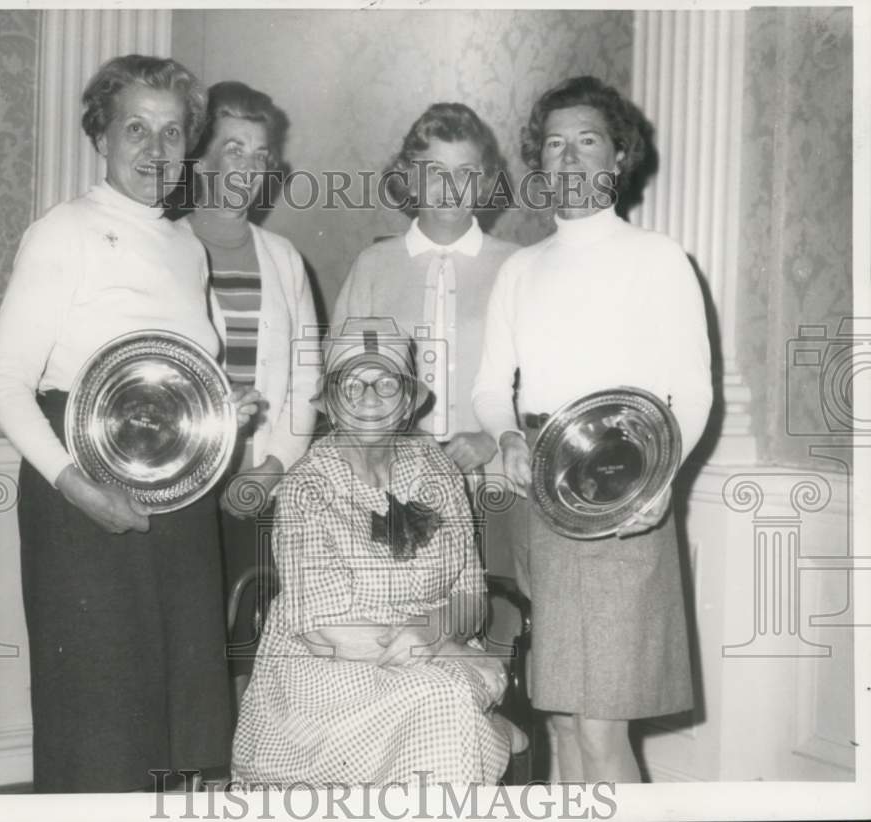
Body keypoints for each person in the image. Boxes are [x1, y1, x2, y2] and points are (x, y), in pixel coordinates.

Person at [0, 55, 260, 792]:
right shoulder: (64, 231)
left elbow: (185, 372)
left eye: (173, 131)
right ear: (101, 135)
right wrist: (78, 487)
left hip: (179, 495)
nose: (155, 148)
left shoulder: (186, 244)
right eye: (135, 127)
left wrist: (225, 414)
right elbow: (3, 382)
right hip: (82, 489)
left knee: (178, 715)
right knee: (98, 718)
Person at [472, 75, 713, 783]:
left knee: (602, 728)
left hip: (625, 504)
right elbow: (493, 387)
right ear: (540, 163)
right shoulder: (520, 268)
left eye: (587, 142)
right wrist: (507, 436)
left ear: (617, 157)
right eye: (555, 144)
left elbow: (691, 390)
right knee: (558, 720)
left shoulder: (658, 258)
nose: (570, 159)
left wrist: (657, 481)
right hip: (541, 504)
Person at [231, 318, 512, 787]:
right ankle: (495, 740)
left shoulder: (438, 471)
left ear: (406, 401)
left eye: (386, 384)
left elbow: (472, 596)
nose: (369, 400)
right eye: (351, 385)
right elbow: (327, 634)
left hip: (434, 655)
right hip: (327, 679)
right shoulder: (306, 487)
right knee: (444, 700)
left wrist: (437, 629)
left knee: (440, 701)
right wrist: (447, 651)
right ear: (331, 404)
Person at [332, 102, 521, 581]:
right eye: (434, 171)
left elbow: (539, 383)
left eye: (465, 172)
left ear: (484, 181)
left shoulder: (517, 267)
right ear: (409, 178)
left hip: (491, 486)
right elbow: (342, 383)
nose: (450, 187)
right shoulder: (374, 267)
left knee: (486, 626)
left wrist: (492, 439)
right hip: (391, 490)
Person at [173, 81, 317, 701]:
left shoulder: (283, 258)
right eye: (235, 149)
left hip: (257, 480)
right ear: (201, 159)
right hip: (174, 480)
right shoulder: (164, 245)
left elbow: (307, 375)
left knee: (251, 638)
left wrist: (274, 467)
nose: (250, 168)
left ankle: (248, 778)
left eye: (262, 155)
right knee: (185, 634)